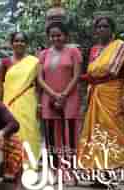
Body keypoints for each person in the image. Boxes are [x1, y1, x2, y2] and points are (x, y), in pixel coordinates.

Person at [77, 16, 124, 187]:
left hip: (113, 94)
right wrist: (74, 78)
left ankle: (112, 173)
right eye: (99, 27)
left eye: (105, 26)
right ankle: (96, 173)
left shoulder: (122, 48)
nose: (101, 29)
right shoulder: (94, 50)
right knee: (94, 133)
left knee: (112, 133)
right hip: (95, 94)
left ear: (112, 28)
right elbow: (91, 75)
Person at [37, 22, 82, 180]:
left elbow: (76, 76)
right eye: (52, 35)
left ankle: (71, 171)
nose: (56, 38)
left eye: (59, 35)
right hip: (49, 99)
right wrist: (54, 94)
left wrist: (63, 94)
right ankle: (55, 171)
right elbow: (40, 79)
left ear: (65, 35)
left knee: (69, 135)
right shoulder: (43, 54)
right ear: (49, 37)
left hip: (70, 98)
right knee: (51, 136)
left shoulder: (73, 51)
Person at [0, 32, 41, 166]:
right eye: (16, 41)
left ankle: (28, 164)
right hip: (8, 104)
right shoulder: (5, 63)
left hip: (28, 102)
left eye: (22, 41)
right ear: (12, 44)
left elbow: (39, 84)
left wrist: (39, 104)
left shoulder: (34, 62)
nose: (19, 43)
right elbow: (0, 86)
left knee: (30, 130)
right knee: (10, 133)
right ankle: (11, 166)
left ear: (26, 44)